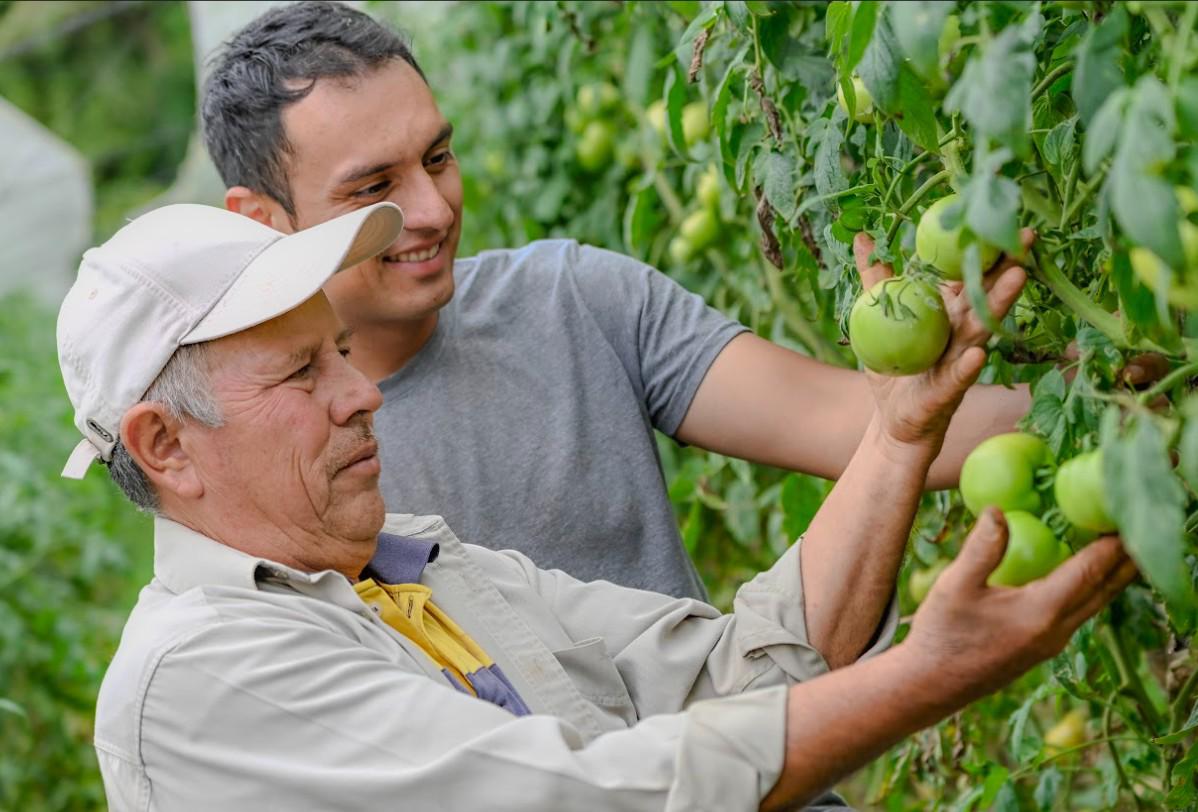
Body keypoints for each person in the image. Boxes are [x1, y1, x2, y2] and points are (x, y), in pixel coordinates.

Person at [61, 202, 1135, 811]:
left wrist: (900, 434)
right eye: (302, 376)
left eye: (340, 353)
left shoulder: (421, 571)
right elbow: (591, 800)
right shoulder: (202, 679)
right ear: (166, 445)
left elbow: (739, 669)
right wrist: (930, 674)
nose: (360, 393)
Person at [199, 1, 1053, 600]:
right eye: (374, 187)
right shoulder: (268, 466)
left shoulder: (571, 298)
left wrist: (1117, 409)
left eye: (439, 157)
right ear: (263, 220)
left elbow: (851, 422)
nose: (431, 209)